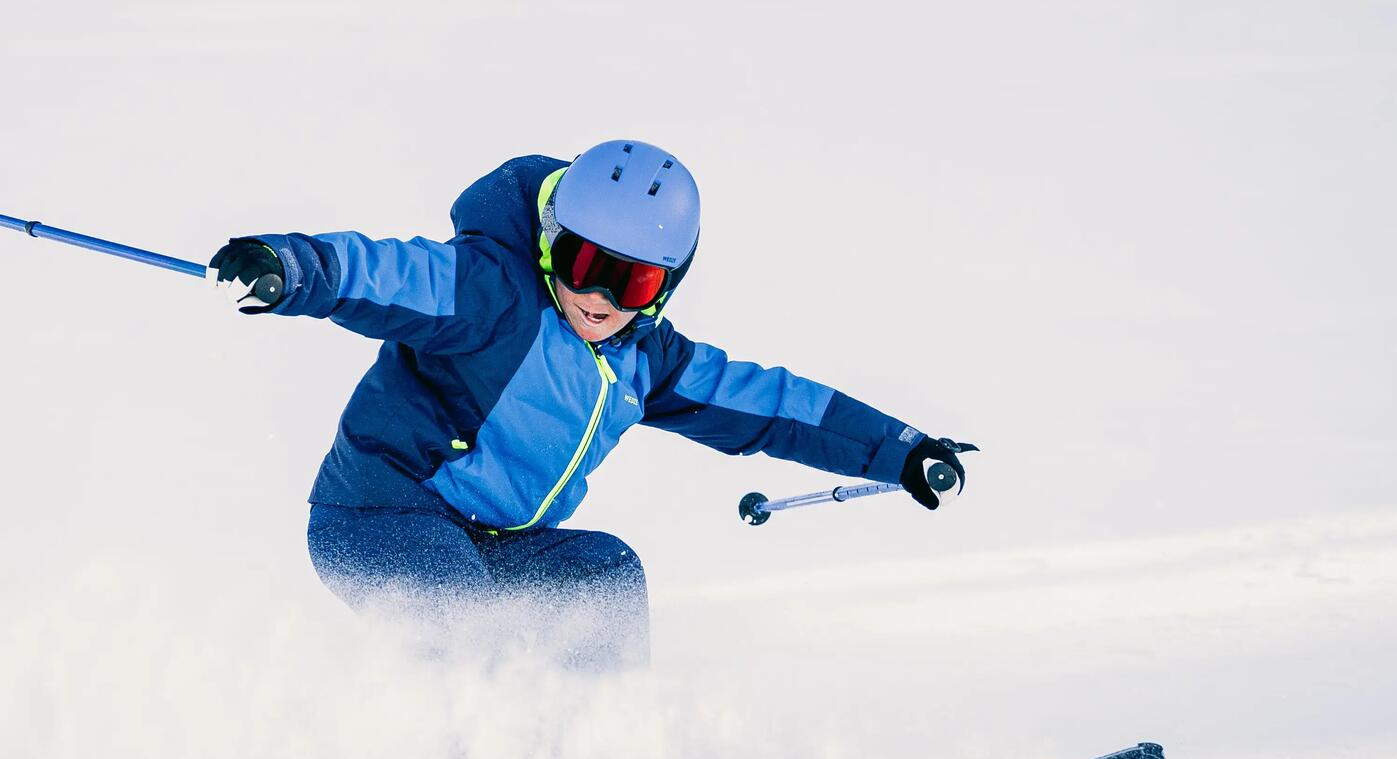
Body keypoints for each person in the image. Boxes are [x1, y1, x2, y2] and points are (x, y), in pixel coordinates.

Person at [210, 140, 966, 668]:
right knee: (469, 630)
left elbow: (770, 403)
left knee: (600, 576)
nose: (597, 298)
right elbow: (387, 275)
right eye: (582, 265)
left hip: (489, 542)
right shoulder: (492, 293)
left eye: (629, 283)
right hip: (379, 516)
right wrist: (293, 266)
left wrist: (898, 448)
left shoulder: (646, 360)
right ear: (549, 241)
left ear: (664, 287)